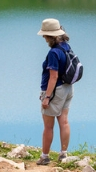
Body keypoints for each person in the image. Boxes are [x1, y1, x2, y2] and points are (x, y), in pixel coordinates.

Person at [36, 18, 75, 165]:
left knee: (48, 126)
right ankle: (63, 154)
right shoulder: (66, 46)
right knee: (64, 121)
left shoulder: (53, 52)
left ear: (50, 36)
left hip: (55, 91)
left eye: (45, 36)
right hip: (68, 88)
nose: (44, 38)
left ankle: (45, 157)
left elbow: (53, 76)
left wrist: (47, 97)